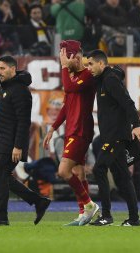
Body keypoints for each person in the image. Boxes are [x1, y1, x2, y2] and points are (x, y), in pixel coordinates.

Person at [0, 55, 51, 226]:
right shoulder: (3, 88)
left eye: (3, 68)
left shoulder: (20, 90)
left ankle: (1, 217)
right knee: (5, 178)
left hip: (12, 143)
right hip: (2, 141)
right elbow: (1, 119)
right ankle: (38, 201)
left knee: (1, 179)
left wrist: (18, 146)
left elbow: (24, 121)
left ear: (13, 69)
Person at [43, 40, 99, 226]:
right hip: (72, 129)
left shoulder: (88, 75)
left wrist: (64, 67)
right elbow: (67, 106)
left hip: (81, 130)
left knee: (63, 171)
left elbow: (69, 88)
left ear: (76, 56)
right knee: (79, 173)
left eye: (67, 57)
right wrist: (53, 128)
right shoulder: (73, 76)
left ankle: (90, 206)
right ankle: (84, 212)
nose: (65, 61)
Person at [86, 49, 140, 226]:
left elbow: (128, 103)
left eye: (91, 64)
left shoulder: (110, 79)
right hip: (111, 135)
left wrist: (136, 125)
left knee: (99, 169)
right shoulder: (102, 79)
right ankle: (134, 219)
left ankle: (106, 215)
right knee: (123, 177)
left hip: (116, 135)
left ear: (101, 64)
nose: (88, 67)